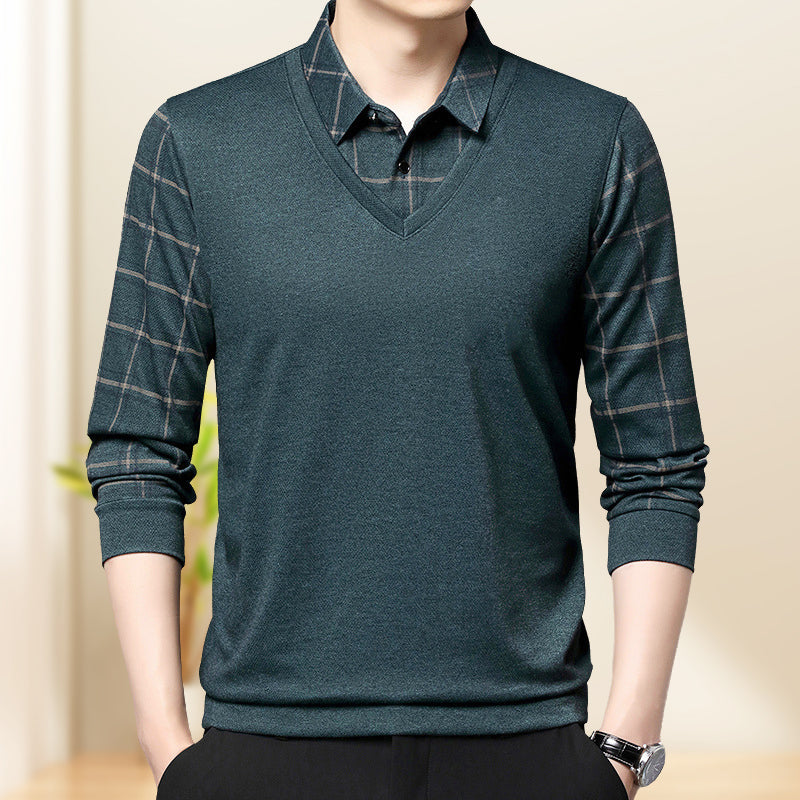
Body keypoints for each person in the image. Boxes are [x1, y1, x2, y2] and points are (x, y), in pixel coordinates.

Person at [84, 1, 710, 798]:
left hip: (529, 748)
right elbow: (137, 453)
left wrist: (624, 749)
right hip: (264, 747)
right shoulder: (197, 141)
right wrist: (167, 744)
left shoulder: (597, 140)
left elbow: (657, 464)